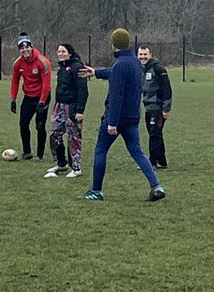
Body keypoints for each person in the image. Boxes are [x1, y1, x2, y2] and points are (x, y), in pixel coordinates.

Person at [77, 28, 165, 202]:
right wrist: (96, 72)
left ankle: (96, 190)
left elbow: (117, 95)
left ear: (113, 44)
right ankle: (156, 186)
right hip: (133, 116)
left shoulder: (120, 65)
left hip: (116, 118)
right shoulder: (134, 62)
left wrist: (112, 122)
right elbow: (113, 73)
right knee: (137, 151)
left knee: (100, 150)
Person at [46, 42, 88, 178]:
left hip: (72, 107)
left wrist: (80, 110)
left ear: (70, 53)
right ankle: (61, 163)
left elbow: (83, 90)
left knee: (73, 136)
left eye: (63, 51)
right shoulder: (62, 68)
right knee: (54, 134)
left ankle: (76, 167)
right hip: (59, 106)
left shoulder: (77, 67)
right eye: (58, 51)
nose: (60, 54)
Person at [9, 33, 52, 160]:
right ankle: (27, 152)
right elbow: (15, 81)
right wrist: (13, 99)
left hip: (42, 96)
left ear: (31, 47)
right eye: (22, 48)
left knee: (40, 126)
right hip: (28, 96)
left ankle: (40, 154)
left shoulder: (42, 62)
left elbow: (46, 84)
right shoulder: (18, 64)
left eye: (27, 47)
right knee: (23, 124)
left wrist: (42, 101)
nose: (25, 50)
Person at [137, 46, 173, 169]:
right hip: (148, 107)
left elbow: (167, 89)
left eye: (145, 54)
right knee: (156, 134)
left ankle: (152, 162)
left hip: (157, 108)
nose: (142, 57)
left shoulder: (158, 69)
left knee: (154, 134)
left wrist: (166, 109)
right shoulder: (142, 69)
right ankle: (162, 161)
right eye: (140, 54)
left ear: (150, 54)